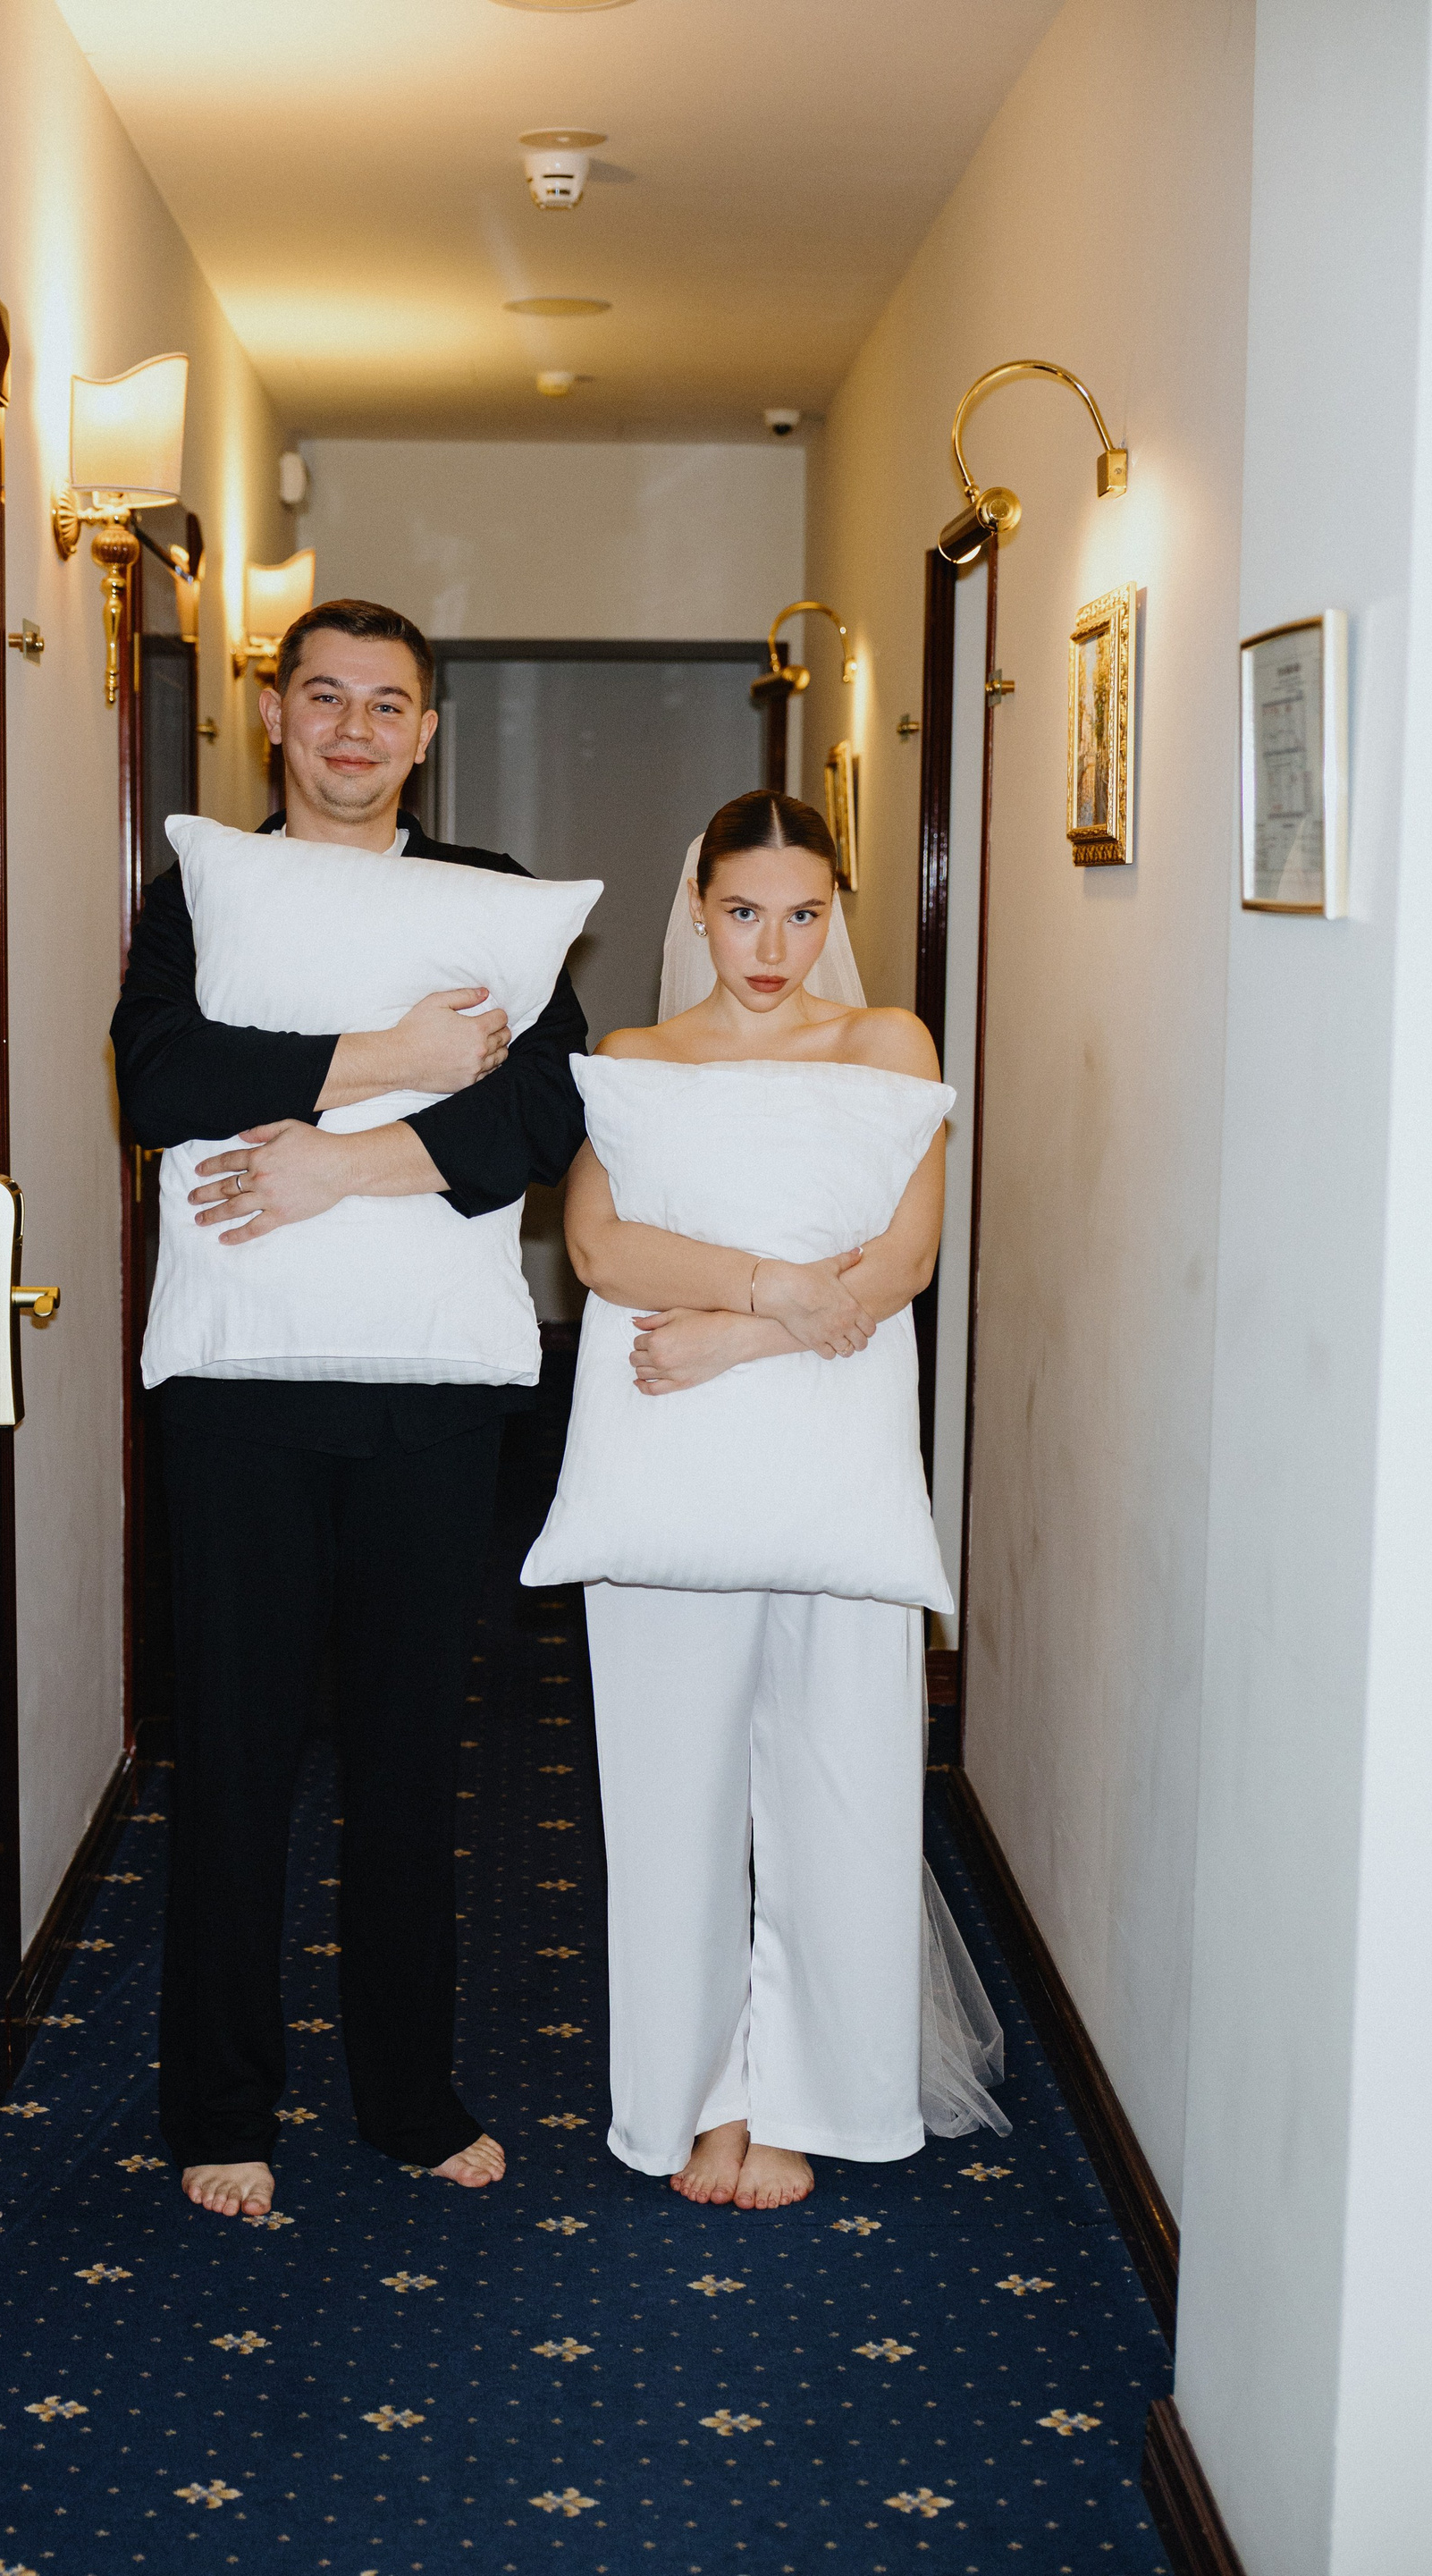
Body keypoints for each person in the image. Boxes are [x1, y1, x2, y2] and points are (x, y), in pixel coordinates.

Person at [110, 598, 588, 2217]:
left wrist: (346, 1164)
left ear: (427, 731)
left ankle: (407, 2092)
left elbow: (549, 1104)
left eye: (388, 703)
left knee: (409, 1757)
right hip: (237, 1392)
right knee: (233, 1755)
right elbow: (160, 1077)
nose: (354, 729)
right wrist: (383, 1054)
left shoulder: (491, 902)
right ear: (273, 714)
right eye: (324, 696)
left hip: (432, 1398)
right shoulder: (203, 889)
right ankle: (220, 2103)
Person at [559, 789, 1006, 2211]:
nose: (772, 946)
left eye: (804, 914)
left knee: (844, 1773)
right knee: (669, 1786)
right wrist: (759, 1292)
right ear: (697, 906)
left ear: (834, 913)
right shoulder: (639, 1057)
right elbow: (597, 1245)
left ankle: (817, 2092)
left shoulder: (888, 1045)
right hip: (663, 1458)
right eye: (744, 912)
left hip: (832, 1448)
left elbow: (904, 1258)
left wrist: (734, 1337)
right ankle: (705, 2096)